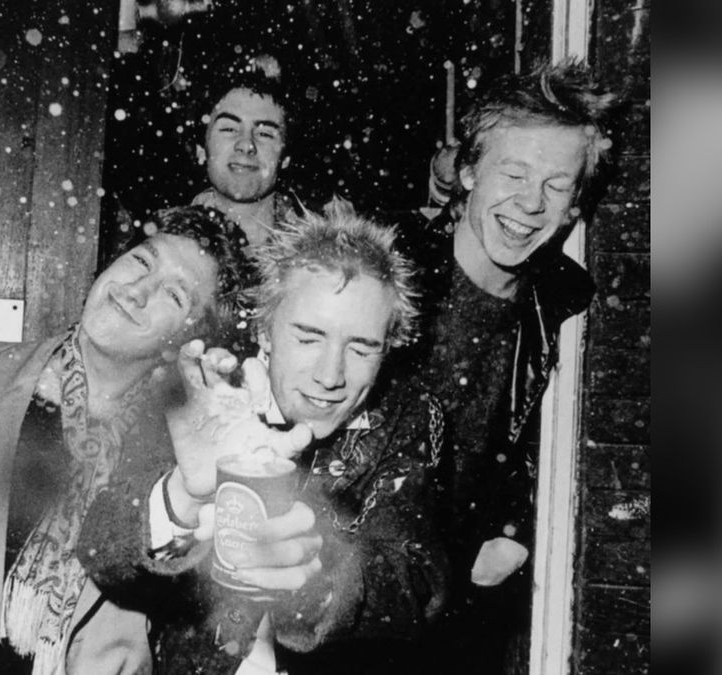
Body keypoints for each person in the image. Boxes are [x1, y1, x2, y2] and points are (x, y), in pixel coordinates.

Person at [76, 200, 449, 674]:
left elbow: (417, 581)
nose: (330, 375)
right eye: (308, 338)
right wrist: (184, 494)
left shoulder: (409, 415)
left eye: (361, 348)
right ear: (265, 331)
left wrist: (311, 575)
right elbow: (104, 550)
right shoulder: (209, 387)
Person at [390, 60, 618, 673]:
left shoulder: (564, 303)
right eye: (513, 173)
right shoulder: (386, 272)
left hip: (451, 627)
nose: (530, 203)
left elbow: (538, 450)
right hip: (343, 606)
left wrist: (514, 530)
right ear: (468, 171)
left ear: (575, 206)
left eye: (556, 185)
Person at [0, 206, 255, 675]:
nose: (137, 290)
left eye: (174, 294)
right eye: (142, 261)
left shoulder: (184, 465)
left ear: (188, 341)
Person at [188, 65, 300, 246]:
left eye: (264, 134)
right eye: (229, 129)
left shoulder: (329, 248)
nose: (246, 145)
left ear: (285, 158)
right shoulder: (168, 245)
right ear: (201, 150)